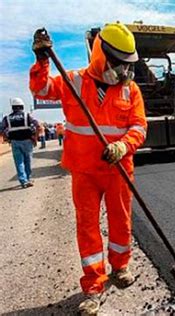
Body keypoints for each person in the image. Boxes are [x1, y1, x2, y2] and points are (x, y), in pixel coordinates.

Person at [30, 23, 147, 314]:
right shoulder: (74, 82)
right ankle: (94, 284)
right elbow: (41, 88)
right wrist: (42, 60)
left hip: (118, 168)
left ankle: (120, 266)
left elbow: (139, 127)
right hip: (84, 171)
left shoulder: (130, 90)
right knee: (88, 227)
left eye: (127, 63)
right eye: (118, 62)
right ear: (100, 54)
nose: (123, 69)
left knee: (121, 221)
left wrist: (123, 145)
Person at [0, 98, 38, 188]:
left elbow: (1, 130)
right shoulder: (27, 115)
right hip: (27, 141)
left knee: (19, 162)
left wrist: (7, 138)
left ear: (12, 107)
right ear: (22, 106)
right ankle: (28, 178)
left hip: (15, 142)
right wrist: (35, 138)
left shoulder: (7, 118)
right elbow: (38, 126)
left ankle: (23, 181)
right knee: (27, 161)